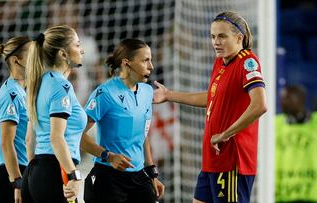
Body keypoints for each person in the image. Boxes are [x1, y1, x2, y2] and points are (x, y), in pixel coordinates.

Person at [153, 11, 267, 203]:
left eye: (222, 36)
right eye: (213, 36)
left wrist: (226, 134)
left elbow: (260, 105)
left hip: (232, 161)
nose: (216, 42)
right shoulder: (220, 62)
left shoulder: (247, 62)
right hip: (212, 160)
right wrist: (169, 95)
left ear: (239, 37)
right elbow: (213, 98)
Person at [81, 38, 165, 203]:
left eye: (151, 60)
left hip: (139, 176)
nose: (151, 66)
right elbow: (80, 136)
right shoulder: (104, 93)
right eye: (145, 60)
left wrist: (151, 172)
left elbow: (143, 135)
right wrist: (109, 156)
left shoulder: (147, 91)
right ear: (127, 63)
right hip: (109, 178)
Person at [22, 25, 87, 203]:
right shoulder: (61, 86)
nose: (82, 50)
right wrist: (74, 176)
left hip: (35, 171)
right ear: (63, 54)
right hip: (56, 171)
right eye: (77, 45)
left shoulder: (39, 84)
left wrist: (34, 176)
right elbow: (56, 137)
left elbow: (29, 140)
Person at [0, 36, 31, 203]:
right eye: (32, 55)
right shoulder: (10, 95)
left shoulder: (20, 93)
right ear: (16, 60)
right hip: (10, 177)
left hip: (17, 173)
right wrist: (17, 183)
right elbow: (7, 143)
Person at [275, 85, 317, 202]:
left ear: (300, 99)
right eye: (282, 98)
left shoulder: (315, 124)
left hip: (311, 196)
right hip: (280, 196)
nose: (283, 102)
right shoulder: (274, 124)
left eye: (287, 98)